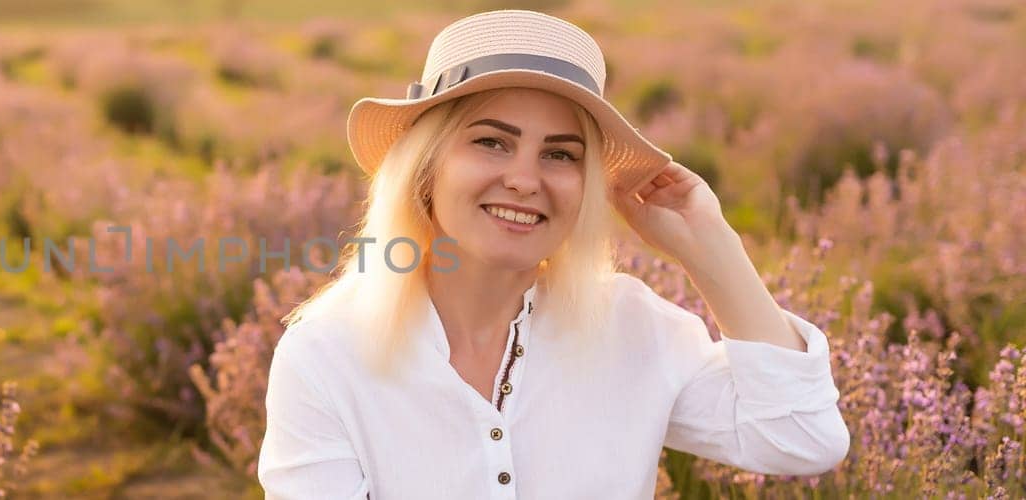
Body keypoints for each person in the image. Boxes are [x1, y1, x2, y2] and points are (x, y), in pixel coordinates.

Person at [257, 9, 851, 499]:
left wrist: (714, 250)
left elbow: (801, 438)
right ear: (427, 166)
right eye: (492, 142)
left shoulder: (629, 325)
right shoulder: (328, 353)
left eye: (561, 155)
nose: (524, 179)